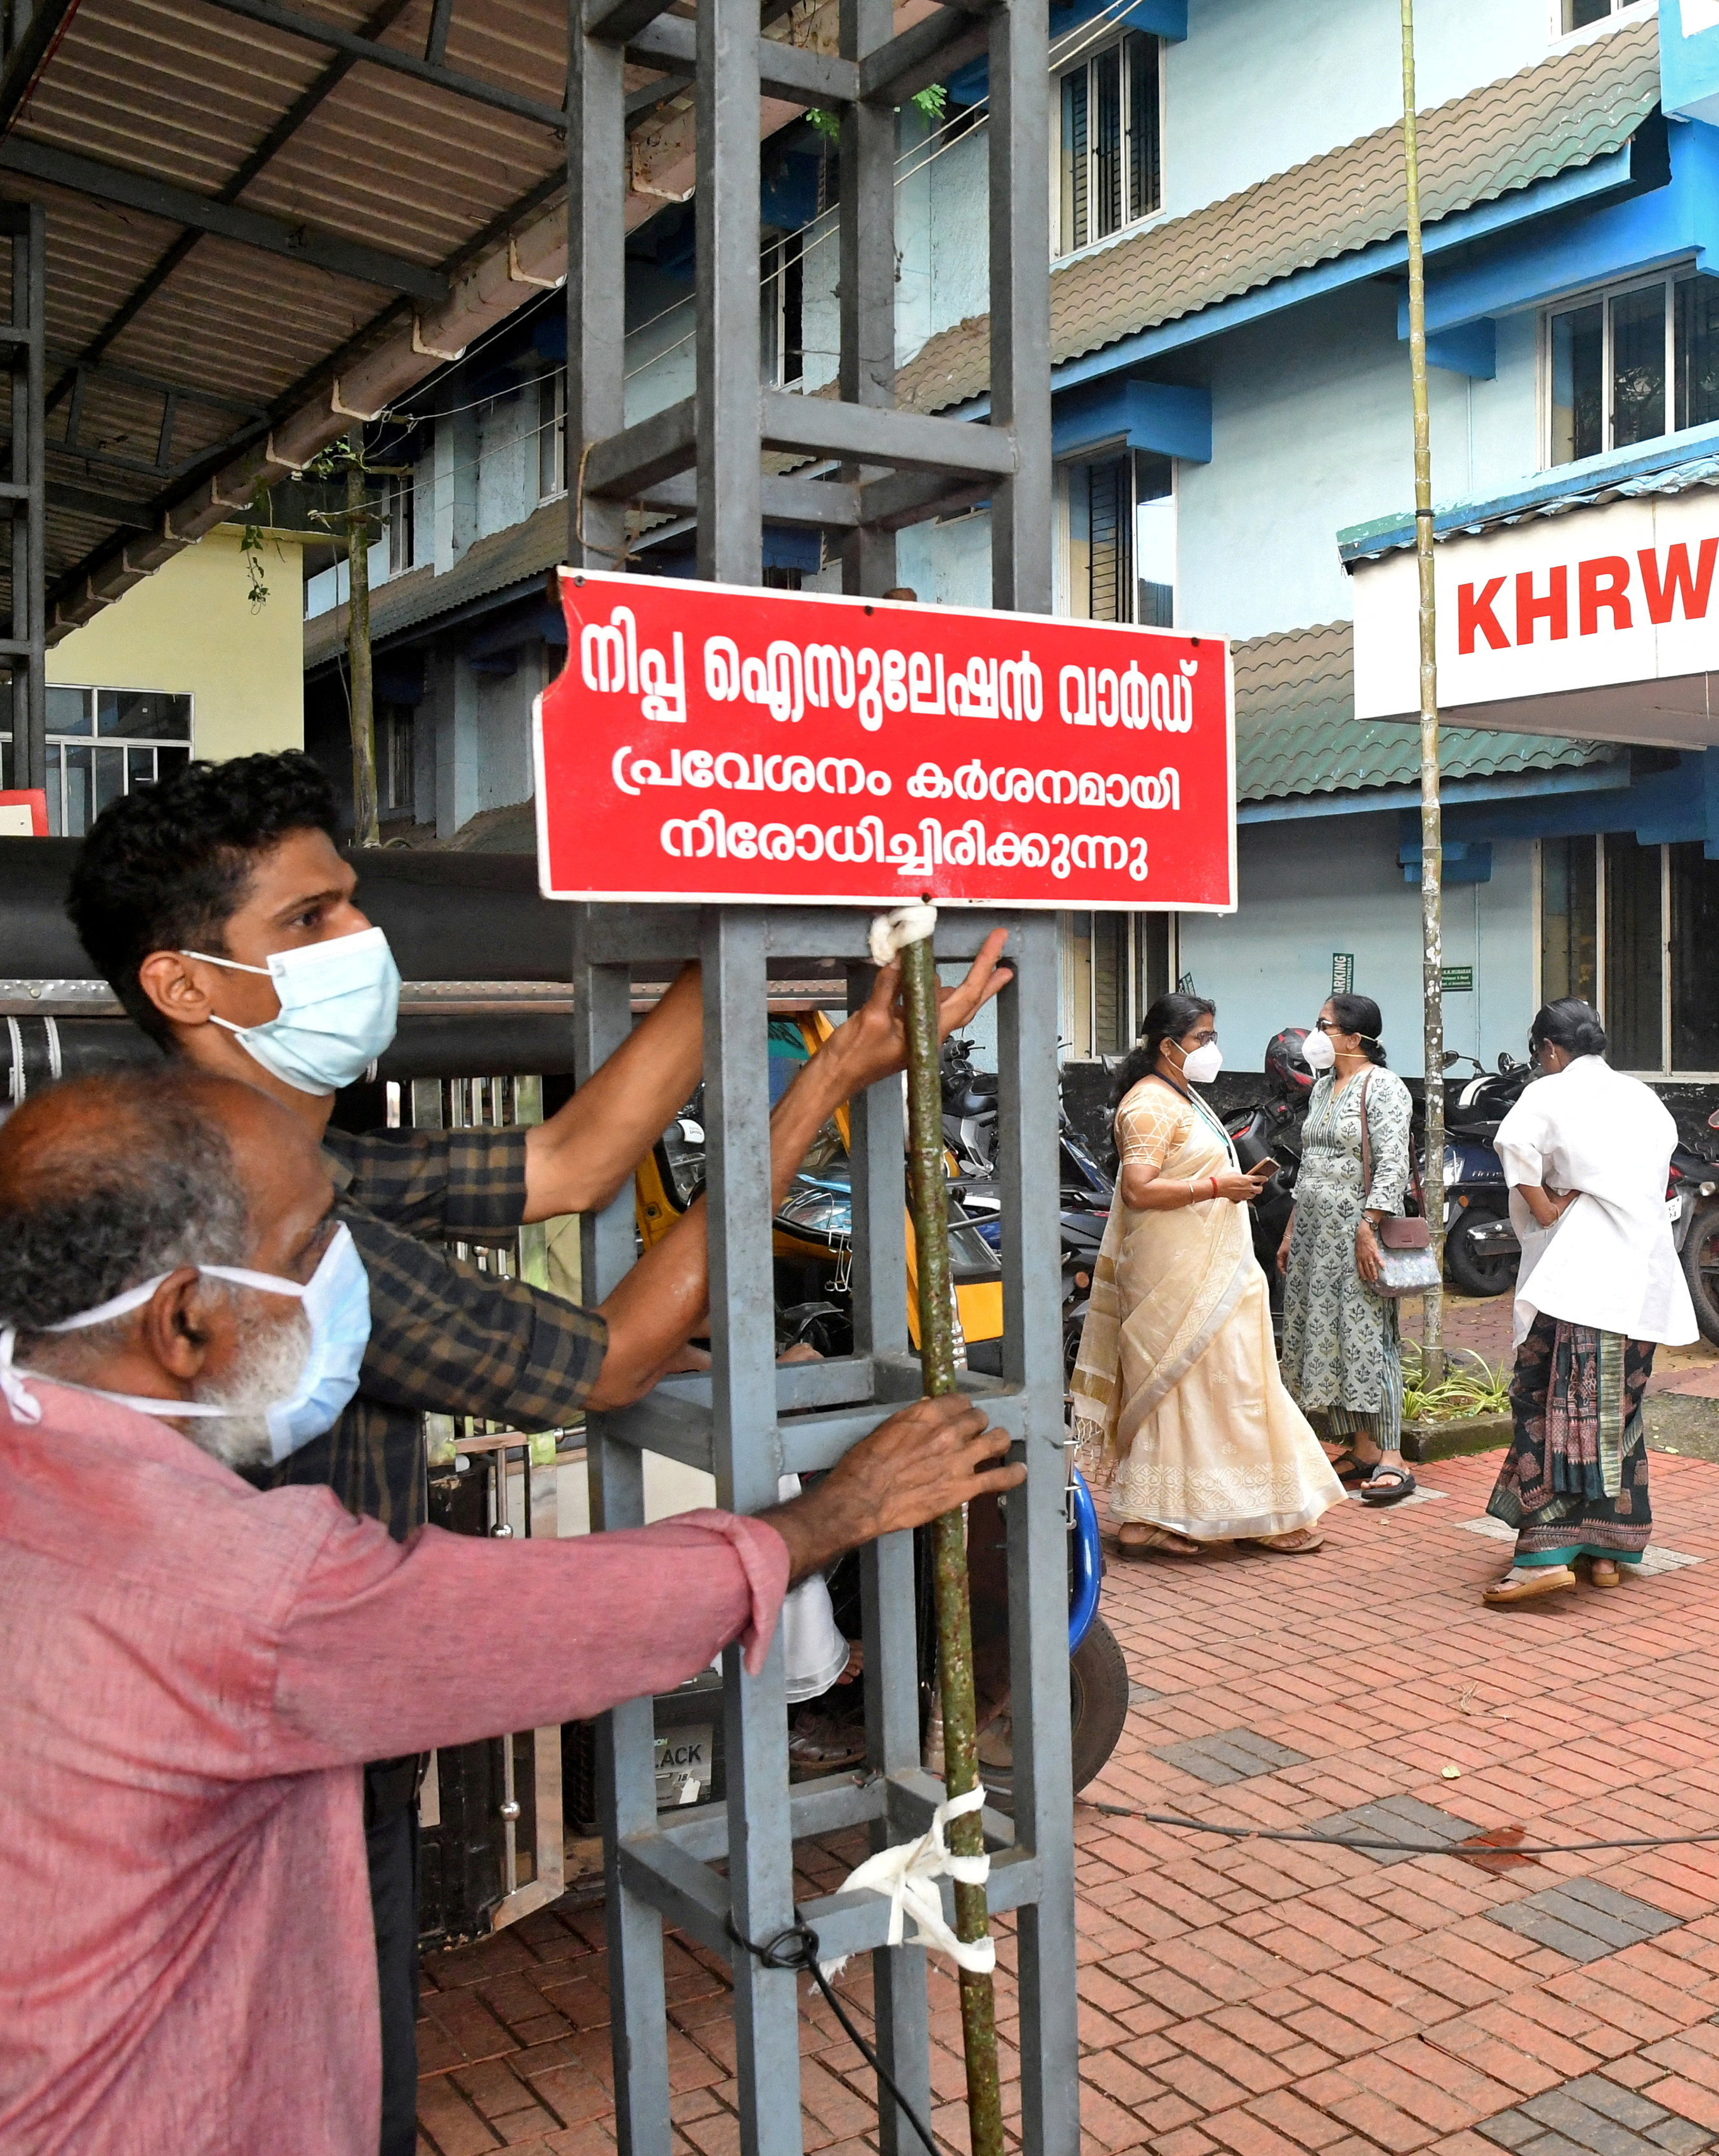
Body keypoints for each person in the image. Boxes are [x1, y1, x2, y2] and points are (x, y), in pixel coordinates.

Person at [0, 1067, 1021, 2153]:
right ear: (188, 1317)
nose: (340, 1280)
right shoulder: (226, 1581)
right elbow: (559, 1617)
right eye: (310, 1253)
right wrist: (827, 1518)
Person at [63, 752, 1009, 2152]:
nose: (358, 943)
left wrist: (729, 945)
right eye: (307, 921)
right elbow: (606, 1358)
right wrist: (820, 1089)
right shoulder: (271, 1235)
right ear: (186, 985)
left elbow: (566, 1160)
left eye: (350, 905)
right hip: (267, 1787)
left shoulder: (250, 1148)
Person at [1072, 993, 1342, 1555]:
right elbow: (1139, 1188)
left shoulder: (1182, 1094)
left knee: (1228, 1385)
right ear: (1168, 1046)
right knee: (1192, 1385)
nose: (1212, 1049)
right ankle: (1212, 1515)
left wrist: (1233, 1183)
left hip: (1218, 1264)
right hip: (1176, 1272)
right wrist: (1220, 1187)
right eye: (1202, 1039)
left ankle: (1157, 1518)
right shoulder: (1148, 1104)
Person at [1479, 1000, 1697, 1606]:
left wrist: (1546, 1207)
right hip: (1644, 1274)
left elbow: (1512, 1142)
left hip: (1582, 1271)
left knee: (1552, 1401)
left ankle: (1544, 1555)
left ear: (1549, 1049)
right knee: (1617, 1405)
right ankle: (1607, 1550)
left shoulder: (1551, 1093)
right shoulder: (1643, 1098)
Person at [1277, 991, 1417, 1504]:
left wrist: (1369, 1223)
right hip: (1316, 1236)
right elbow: (1310, 1163)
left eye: (1325, 1025)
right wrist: (1293, 1229)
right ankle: (1361, 1448)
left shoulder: (1383, 1088)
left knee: (1370, 1338)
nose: (1316, 1034)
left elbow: (1392, 1164)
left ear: (1356, 1038)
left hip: (1358, 1233)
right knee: (1331, 1336)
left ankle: (1393, 1456)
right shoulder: (1322, 1088)